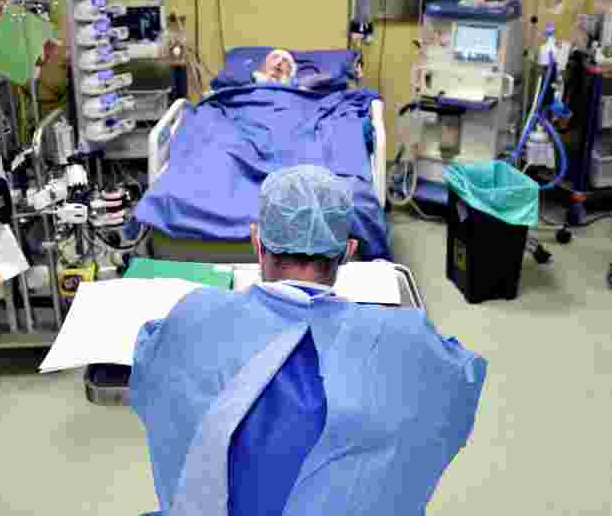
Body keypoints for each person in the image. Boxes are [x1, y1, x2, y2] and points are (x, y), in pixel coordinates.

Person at [130, 165, 487, 516]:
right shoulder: (404, 337)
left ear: (258, 243)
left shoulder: (197, 315)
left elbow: (152, 364)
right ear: (347, 252)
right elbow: (460, 377)